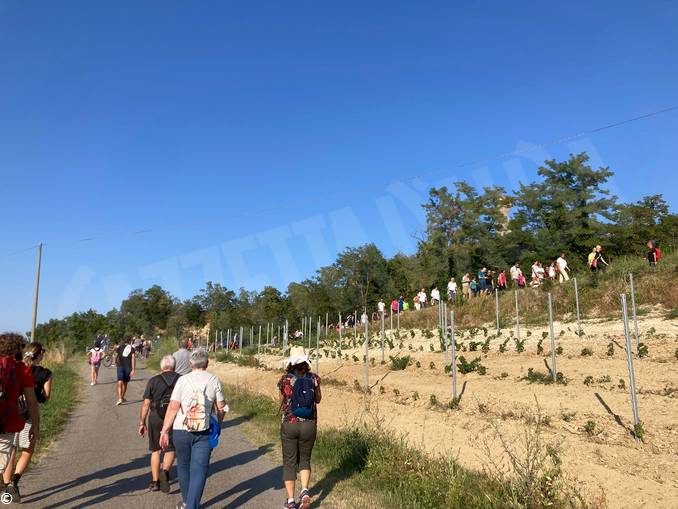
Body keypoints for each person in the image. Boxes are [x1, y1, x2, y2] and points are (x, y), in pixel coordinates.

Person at [160, 349, 227, 509]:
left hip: (180, 430)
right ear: (207, 363)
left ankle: (186, 502)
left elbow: (173, 407)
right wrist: (219, 422)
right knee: (199, 470)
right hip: (203, 430)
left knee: (183, 465)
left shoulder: (182, 380)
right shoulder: (214, 380)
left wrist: (164, 430)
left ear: (191, 364)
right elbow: (221, 407)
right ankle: (191, 505)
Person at [2, 342, 51, 503]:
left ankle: (7, 485)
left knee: (11, 451)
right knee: (27, 450)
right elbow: (45, 397)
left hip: (12, 414)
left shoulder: (15, 368)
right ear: (40, 356)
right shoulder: (45, 373)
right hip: (29, 416)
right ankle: (14, 482)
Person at [278, 346, 322, 509]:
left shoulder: (285, 380)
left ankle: (290, 501)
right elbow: (318, 399)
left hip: (290, 424)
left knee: (289, 462)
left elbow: (282, 401)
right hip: (309, 424)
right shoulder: (314, 378)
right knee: (305, 459)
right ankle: (304, 491)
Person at [140, 355, 180, 493]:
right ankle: (166, 471)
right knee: (171, 448)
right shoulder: (182, 379)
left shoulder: (153, 381)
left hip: (156, 416)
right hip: (174, 417)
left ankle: (155, 481)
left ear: (161, 367)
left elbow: (146, 404)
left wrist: (142, 422)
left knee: (156, 449)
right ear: (174, 366)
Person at [114, 338, 136, 405]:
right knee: (124, 383)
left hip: (121, 367)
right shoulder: (131, 348)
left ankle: (121, 398)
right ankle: (121, 398)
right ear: (130, 341)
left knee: (121, 382)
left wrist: (115, 361)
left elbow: (116, 355)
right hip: (127, 367)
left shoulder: (120, 347)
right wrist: (133, 369)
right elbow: (133, 358)